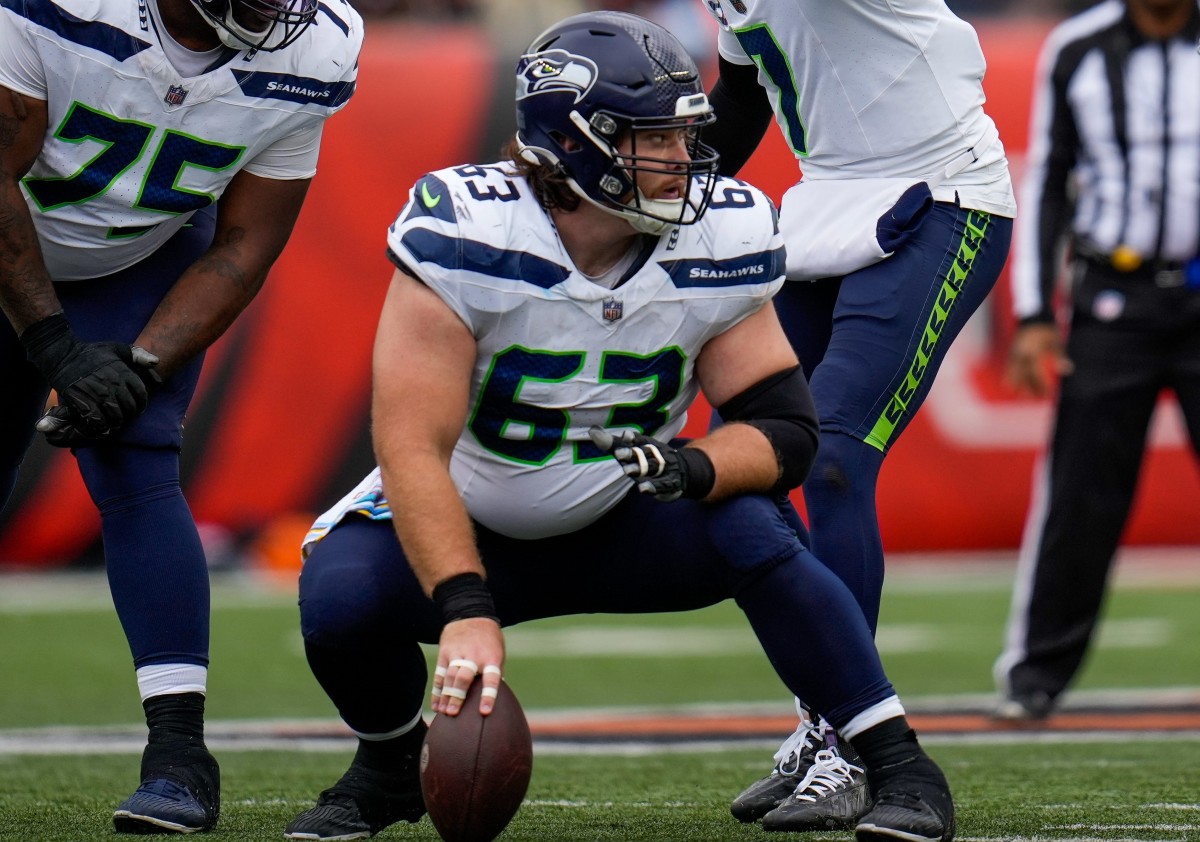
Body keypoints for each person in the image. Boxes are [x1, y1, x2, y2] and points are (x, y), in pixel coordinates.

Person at [285, 11, 957, 842]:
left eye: (684, 137)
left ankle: (896, 760)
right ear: (572, 143)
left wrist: (698, 471)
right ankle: (388, 766)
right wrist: (464, 605)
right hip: (471, 517)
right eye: (655, 139)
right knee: (339, 595)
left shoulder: (722, 229)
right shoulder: (468, 229)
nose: (685, 161)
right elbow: (410, 444)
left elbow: (784, 427)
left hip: (623, 515)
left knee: (756, 528)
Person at [0, 0, 362, 832]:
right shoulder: (61, 10)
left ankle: (179, 757)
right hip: (12, 232)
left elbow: (244, 243)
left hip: (141, 251)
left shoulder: (320, 44)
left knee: (137, 458)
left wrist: (140, 364)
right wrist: (54, 348)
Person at [695, 0, 1016, 831]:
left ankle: (851, 741)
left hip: (942, 194)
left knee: (833, 453)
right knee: (745, 459)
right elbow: (744, 91)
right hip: (825, 202)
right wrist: (666, 189)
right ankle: (819, 721)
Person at [994, 0, 1200, 721]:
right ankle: (1036, 674)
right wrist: (1032, 315)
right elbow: (1047, 177)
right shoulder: (1078, 47)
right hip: (1114, 293)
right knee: (1081, 491)